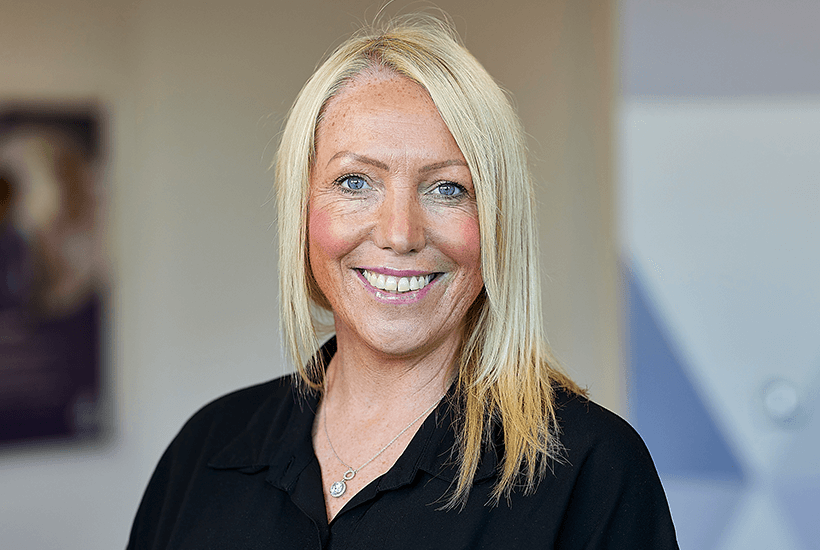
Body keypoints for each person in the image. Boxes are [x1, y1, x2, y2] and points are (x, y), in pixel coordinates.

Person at [128, 15, 678, 549]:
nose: (399, 234)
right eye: (355, 181)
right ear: (301, 211)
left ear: (498, 224)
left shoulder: (592, 472)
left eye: (447, 189)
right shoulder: (207, 451)